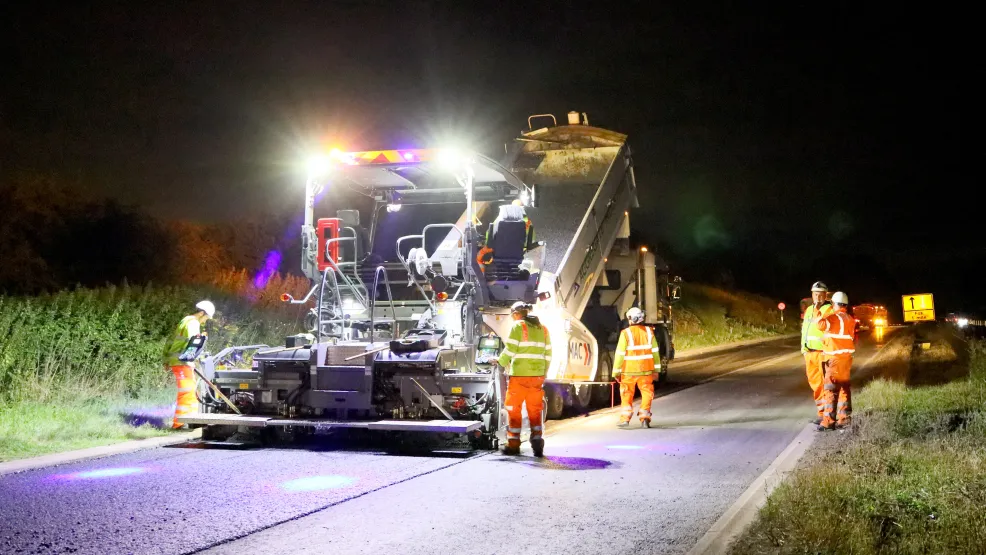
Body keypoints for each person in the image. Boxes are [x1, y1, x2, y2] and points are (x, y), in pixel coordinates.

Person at [497, 301, 551, 456]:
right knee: (535, 410)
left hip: (520, 377)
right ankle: (537, 443)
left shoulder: (518, 326)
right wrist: (543, 372)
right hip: (537, 377)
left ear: (516, 314)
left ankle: (513, 445)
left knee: (514, 409)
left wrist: (500, 361)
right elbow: (548, 354)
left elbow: (510, 348)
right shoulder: (544, 330)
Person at [163, 300, 215, 429]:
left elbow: (170, 341)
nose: (205, 321)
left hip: (177, 361)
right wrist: (193, 359)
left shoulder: (184, 320)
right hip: (182, 362)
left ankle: (188, 421)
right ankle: (179, 424)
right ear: (201, 313)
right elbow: (193, 343)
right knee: (187, 392)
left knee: (190, 391)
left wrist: (166, 359)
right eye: (206, 318)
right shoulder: (193, 323)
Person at [613, 307, 661, 428]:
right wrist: (657, 370)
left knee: (626, 394)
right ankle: (645, 418)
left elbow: (619, 355)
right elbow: (655, 353)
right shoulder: (650, 332)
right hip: (646, 371)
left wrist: (616, 372)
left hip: (628, 371)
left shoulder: (625, 333)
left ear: (630, 319)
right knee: (646, 393)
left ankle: (625, 419)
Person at [816, 291, 856, 430]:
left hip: (834, 360)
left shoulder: (834, 318)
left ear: (834, 304)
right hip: (846, 359)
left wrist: (819, 309)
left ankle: (828, 422)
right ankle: (844, 418)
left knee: (830, 390)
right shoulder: (850, 319)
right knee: (844, 388)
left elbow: (820, 325)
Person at [801, 281, 833, 424]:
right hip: (810, 353)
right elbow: (805, 331)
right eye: (815, 294)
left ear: (826, 295)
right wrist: (804, 349)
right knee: (815, 384)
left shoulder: (830, 310)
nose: (818, 297)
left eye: (821, 295)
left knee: (825, 385)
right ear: (811, 295)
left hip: (823, 353)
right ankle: (822, 414)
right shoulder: (808, 310)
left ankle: (828, 416)